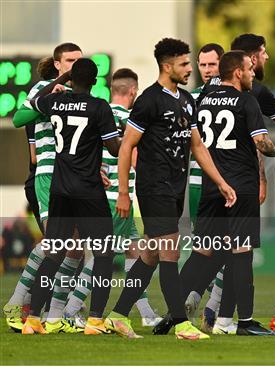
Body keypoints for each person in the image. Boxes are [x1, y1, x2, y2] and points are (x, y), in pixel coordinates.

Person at [105, 38, 236, 340]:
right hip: (153, 188)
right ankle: (181, 324)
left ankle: (117, 315)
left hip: (175, 189)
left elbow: (198, 146)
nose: (190, 69)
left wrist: (220, 181)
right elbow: (126, 147)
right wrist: (124, 192)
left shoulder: (187, 100)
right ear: (167, 66)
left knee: (151, 254)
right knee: (170, 251)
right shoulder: (149, 100)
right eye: (184, 64)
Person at [195, 50, 275, 336]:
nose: (254, 73)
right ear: (238, 71)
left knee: (205, 251)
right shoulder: (246, 100)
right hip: (240, 184)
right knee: (241, 252)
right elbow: (261, 143)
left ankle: (189, 309)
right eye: (250, 68)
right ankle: (243, 321)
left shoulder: (203, 98)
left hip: (211, 184)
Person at [20, 58, 122, 335]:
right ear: (95, 81)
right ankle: (95, 321)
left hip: (60, 189)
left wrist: (59, 80)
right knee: (103, 254)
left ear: (70, 78)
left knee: (53, 254)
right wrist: (126, 140)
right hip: (89, 190)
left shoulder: (56, 102)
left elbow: (34, 103)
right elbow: (113, 149)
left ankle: (33, 321)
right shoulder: (99, 106)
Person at [62, 68, 162, 328]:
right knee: (101, 257)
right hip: (117, 198)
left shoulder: (99, 112)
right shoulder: (131, 120)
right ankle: (70, 309)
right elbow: (137, 160)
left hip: (96, 194)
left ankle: (147, 313)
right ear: (132, 92)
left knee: (133, 251)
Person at [5, 44, 84, 334]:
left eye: (79, 60)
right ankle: (17, 302)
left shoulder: (80, 95)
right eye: (70, 60)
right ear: (57, 64)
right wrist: (52, 90)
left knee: (74, 249)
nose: (76, 65)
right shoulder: (44, 88)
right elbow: (18, 120)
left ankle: (55, 315)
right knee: (56, 244)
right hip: (49, 175)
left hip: (74, 176)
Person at [189, 43, 225, 231]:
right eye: (202, 65)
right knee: (203, 244)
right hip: (198, 180)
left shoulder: (239, 95)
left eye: (212, 64)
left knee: (231, 243)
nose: (207, 70)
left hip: (230, 179)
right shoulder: (189, 98)